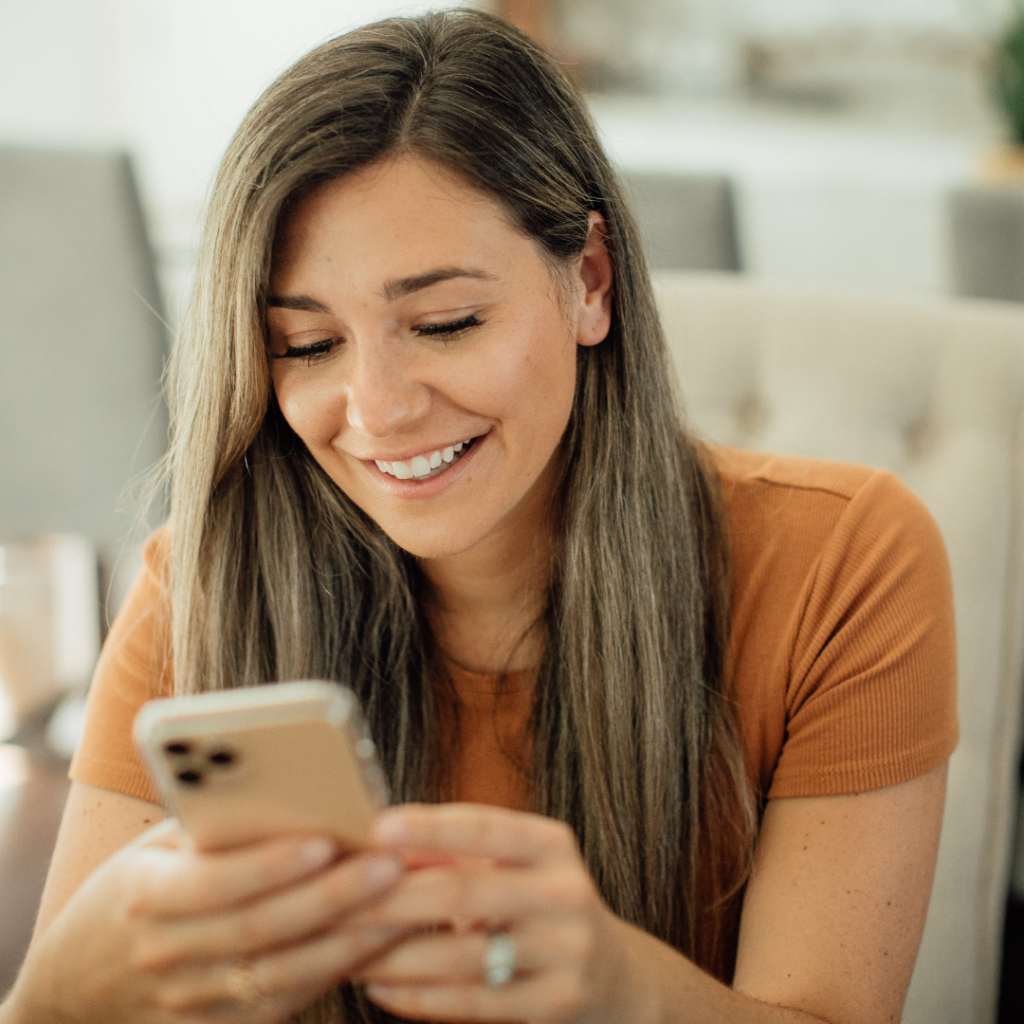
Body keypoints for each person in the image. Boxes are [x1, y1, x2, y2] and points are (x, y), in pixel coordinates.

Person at [1, 10, 956, 1024]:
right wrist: (60, 995)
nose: (377, 410)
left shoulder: (842, 563)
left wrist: (624, 991)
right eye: (308, 344)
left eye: (445, 323)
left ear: (589, 282)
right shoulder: (202, 587)